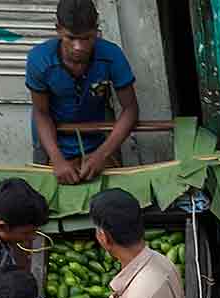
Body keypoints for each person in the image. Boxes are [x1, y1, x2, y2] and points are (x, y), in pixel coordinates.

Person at [26, 0, 137, 180]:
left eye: (86, 38)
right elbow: (41, 113)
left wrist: (102, 154)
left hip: (98, 139)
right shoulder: (39, 59)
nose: (79, 47)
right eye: (71, 38)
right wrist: (57, 159)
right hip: (52, 143)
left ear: (96, 30)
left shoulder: (112, 55)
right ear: (58, 30)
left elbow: (130, 109)